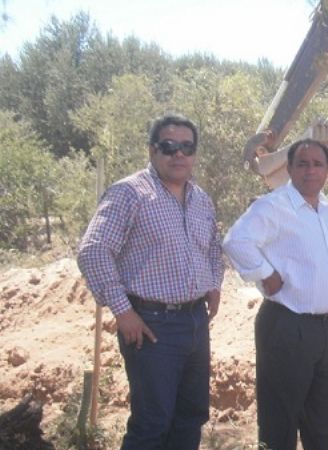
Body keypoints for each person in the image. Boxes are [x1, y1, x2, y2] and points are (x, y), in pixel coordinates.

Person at [77, 114, 224, 450]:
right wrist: (123, 311)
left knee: (191, 415)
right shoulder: (130, 193)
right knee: (152, 422)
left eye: (187, 147)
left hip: (195, 322)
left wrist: (214, 284)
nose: (179, 154)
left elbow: (213, 249)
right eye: (169, 146)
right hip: (151, 324)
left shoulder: (201, 199)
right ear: (152, 150)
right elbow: (93, 251)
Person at [223, 139, 328, 450]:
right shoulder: (273, 206)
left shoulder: (324, 207)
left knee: (324, 422)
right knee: (280, 423)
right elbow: (236, 241)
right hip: (288, 327)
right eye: (302, 164)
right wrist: (265, 274)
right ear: (289, 168)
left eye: (318, 164)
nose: (310, 170)